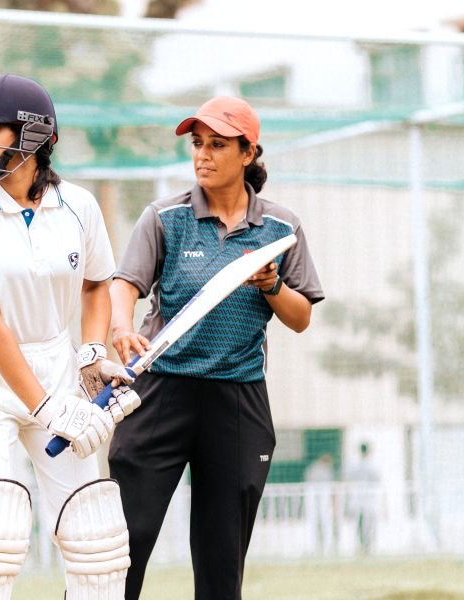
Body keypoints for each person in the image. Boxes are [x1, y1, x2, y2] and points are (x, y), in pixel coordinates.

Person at [108, 95, 325, 600]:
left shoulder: (281, 228)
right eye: (197, 144)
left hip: (237, 402)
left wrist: (271, 285)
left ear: (248, 153)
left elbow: (301, 317)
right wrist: (121, 326)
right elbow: (124, 284)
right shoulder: (165, 217)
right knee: (123, 543)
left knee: (221, 556)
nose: (203, 155)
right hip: (159, 394)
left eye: (218, 145)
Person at [0, 73, 140, 600]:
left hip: (56, 368)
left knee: (95, 533)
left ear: (34, 136)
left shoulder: (79, 206)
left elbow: (98, 282)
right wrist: (49, 409)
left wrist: (92, 350)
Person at [344, 442, 381, 555]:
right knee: (367, 523)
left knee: (360, 523)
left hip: (357, 498)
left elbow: (348, 478)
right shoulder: (372, 465)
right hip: (367, 499)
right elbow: (377, 479)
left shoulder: (353, 465)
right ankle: (366, 546)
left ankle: (362, 545)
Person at [304, 453, 337, 555]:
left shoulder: (311, 469)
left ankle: (315, 547)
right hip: (321, 502)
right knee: (325, 524)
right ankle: (326, 547)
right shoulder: (326, 472)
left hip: (313, 502)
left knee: (315, 525)